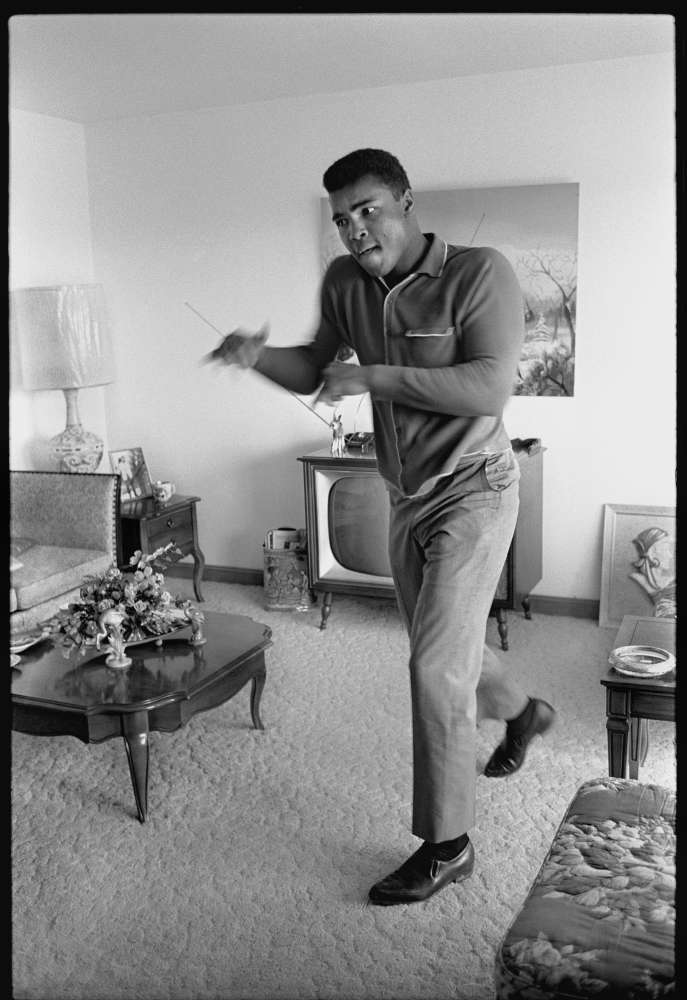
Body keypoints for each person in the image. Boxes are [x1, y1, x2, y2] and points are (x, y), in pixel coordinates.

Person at [207, 148, 556, 905]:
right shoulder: (344, 284)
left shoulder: (477, 271)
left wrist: (371, 376)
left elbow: (488, 386)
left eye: (366, 209)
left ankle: (447, 845)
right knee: (445, 647)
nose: (353, 229)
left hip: (476, 486)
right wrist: (258, 356)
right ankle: (524, 711)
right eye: (340, 219)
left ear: (404, 200)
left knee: (433, 666)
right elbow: (314, 366)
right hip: (406, 493)